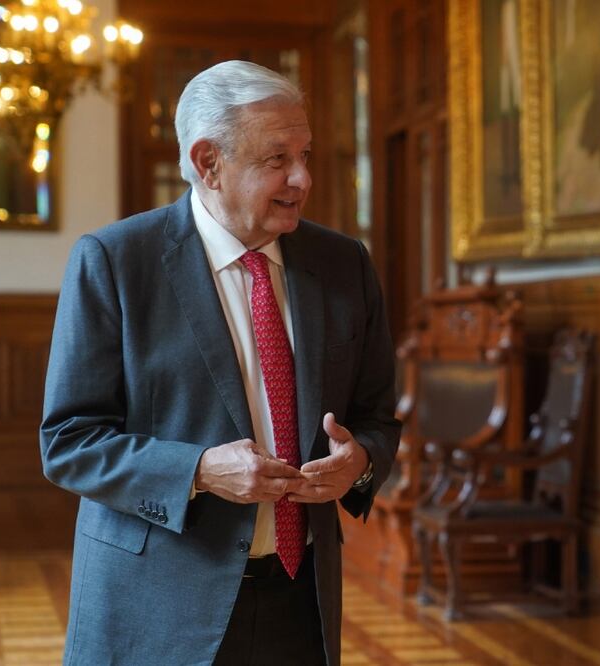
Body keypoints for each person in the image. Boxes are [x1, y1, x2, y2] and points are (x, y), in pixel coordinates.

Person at [40, 60, 400, 666]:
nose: (303, 177)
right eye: (277, 159)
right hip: (156, 603)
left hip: (301, 602)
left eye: (306, 154)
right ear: (208, 162)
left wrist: (358, 465)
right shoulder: (115, 260)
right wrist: (200, 471)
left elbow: (378, 417)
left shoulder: (344, 264)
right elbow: (69, 442)